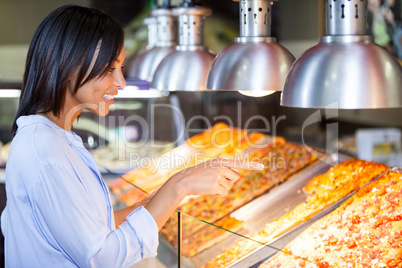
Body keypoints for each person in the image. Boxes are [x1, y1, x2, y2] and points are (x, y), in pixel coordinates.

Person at [0, 5, 263, 268]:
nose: (122, 82)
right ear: (69, 66)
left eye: (121, 67)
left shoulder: (51, 138)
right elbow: (102, 258)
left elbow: (89, 228)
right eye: (109, 69)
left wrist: (165, 199)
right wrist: (178, 185)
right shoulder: (47, 152)